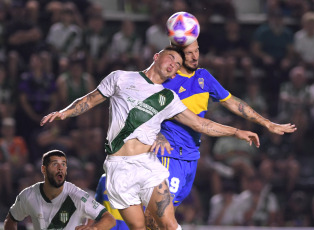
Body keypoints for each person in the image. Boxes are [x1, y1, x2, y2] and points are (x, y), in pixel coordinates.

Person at [40, 46, 261, 230]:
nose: (173, 64)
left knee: (169, 224)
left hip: (148, 166)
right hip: (118, 169)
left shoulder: (168, 97)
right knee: (140, 228)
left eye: (177, 65)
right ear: (156, 56)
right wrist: (64, 112)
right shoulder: (120, 78)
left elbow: (199, 124)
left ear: (175, 74)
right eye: (171, 58)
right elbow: (89, 100)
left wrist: (236, 131)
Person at [145, 40, 297, 228]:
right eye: (189, 53)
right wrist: (236, 132)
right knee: (162, 216)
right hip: (169, 155)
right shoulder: (166, 82)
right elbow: (153, 115)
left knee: (159, 216)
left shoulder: (203, 77)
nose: (195, 56)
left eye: (197, 51)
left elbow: (232, 102)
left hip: (191, 157)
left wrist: (266, 123)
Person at [3, 149, 116, 230]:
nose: (60, 168)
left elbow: (109, 219)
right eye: (55, 164)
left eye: (63, 164)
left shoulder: (77, 195)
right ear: (44, 169)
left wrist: (94, 228)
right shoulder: (28, 195)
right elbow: (11, 219)